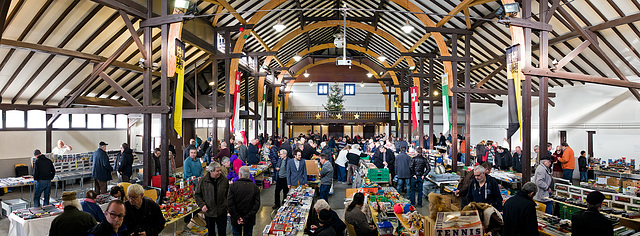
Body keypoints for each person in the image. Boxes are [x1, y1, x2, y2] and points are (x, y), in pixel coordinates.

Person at [195, 162, 229, 236]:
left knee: (222, 232)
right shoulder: (203, 181)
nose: (219, 172)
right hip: (209, 212)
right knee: (211, 233)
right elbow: (197, 195)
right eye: (217, 171)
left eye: (220, 170)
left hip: (221, 211)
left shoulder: (224, 180)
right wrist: (202, 205)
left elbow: (228, 195)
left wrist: (227, 206)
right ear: (211, 171)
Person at [228, 166, 261, 236]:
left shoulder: (233, 186)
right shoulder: (255, 187)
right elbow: (256, 205)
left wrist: (237, 217)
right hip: (249, 219)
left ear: (240, 174)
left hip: (236, 219)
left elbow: (230, 204)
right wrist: (245, 218)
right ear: (248, 175)